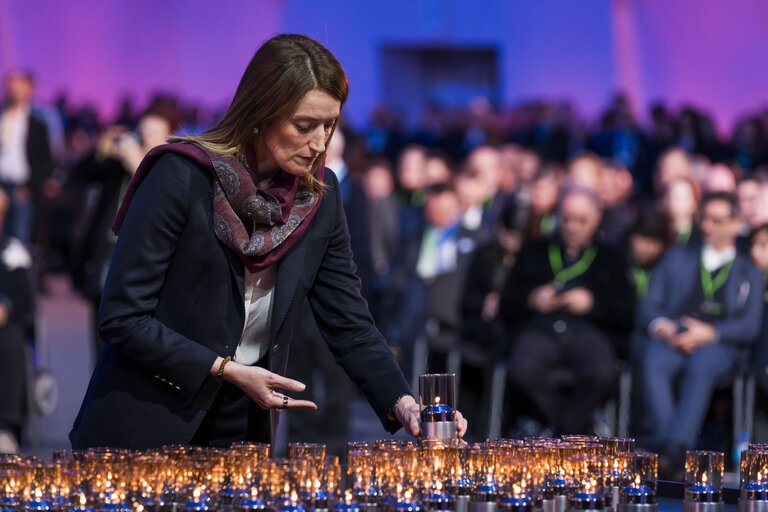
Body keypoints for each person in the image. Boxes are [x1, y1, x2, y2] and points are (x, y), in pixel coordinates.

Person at [69, 34, 466, 449]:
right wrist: (225, 369)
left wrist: (403, 403)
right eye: (304, 125)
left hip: (241, 426)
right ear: (261, 113)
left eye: (329, 125)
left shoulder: (318, 195)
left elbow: (350, 322)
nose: (319, 143)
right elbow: (123, 318)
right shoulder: (181, 175)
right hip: (144, 422)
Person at [639, 192, 763, 466]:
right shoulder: (676, 257)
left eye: (717, 220)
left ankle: (674, 449)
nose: (708, 226)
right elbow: (649, 305)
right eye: (705, 219)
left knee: (703, 364)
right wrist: (663, 327)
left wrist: (712, 333)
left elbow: (750, 326)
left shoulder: (748, 270)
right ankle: (671, 445)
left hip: (719, 344)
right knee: (654, 360)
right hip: (674, 335)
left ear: (735, 223)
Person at [501, 187, 635, 435]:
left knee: (602, 373)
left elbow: (627, 312)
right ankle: (574, 430)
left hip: (589, 330)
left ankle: (560, 430)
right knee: (522, 369)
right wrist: (532, 299)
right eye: (567, 219)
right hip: (540, 329)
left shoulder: (611, 257)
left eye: (581, 220)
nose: (573, 227)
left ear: (596, 218)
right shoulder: (535, 250)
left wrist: (593, 304)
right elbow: (506, 302)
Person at [0, 188, 35, 453]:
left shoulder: (13, 251)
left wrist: (6, 309)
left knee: (12, 341)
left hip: (4, 323)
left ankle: (6, 426)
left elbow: (25, 303)